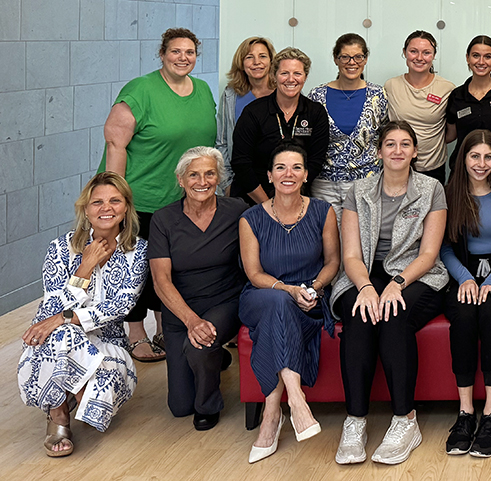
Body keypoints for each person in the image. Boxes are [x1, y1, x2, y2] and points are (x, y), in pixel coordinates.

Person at [330, 120, 448, 465]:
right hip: (365, 272)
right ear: (379, 151)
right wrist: (366, 287)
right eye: (390, 144)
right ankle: (355, 421)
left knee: (395, 314)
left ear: (415, 151)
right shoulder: (359, 190)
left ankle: (404, 419)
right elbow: (350, 255)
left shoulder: (431, 189)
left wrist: (397, 285)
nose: (398, 151)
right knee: (358, 313)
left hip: (416, 275)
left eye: (405, 144)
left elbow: (428, 254)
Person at [101, 27, 217, 362]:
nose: (183, 58)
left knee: (172, 267)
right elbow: (115, 145)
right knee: (136, 268)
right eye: (176, 51)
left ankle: (166, 327)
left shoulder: (203, 90)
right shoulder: (140, 90)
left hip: (181, 199)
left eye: (190, 52)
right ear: (162, 53)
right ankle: (135, 332)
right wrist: (115, 198)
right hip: (140, 198)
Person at [18, 172, 146, 457]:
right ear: (86, 210)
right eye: (97, 202)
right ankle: (59, 414)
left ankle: (71, 391)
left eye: (115, 200)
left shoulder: (138, 252)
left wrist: (65, 317)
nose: (106, 208)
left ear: (126, 207)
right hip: (57, 343)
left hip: (108, 345)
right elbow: (49, 311)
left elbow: (117, 308)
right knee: (61, 334)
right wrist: (84, 268)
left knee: (62, 328)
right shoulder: (61, 249)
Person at [239, 143, 341, 463]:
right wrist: (287, 289)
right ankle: (297, 402)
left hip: (308, 298)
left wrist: (314, 288)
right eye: (281, 168)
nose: (288, 174)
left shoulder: (323, 211)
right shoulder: (250, 218)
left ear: (306, 174)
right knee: (279, 303)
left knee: (283, 311)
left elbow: (332, 262)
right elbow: (254, 274)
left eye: (296, 167)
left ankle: (272, 415)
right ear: (269, 176)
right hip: (260, 296)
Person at [149, 147, 249, 431]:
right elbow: (161, 281)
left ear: (218, 178)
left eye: (209, 174)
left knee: (201, 343)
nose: (201, 181)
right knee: (179, 407)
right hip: (180, 310)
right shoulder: (163, 219)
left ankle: (209, 405)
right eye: (193, 175)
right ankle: (214, 357)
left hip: (225, 302)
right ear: (180, 180)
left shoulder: (237, 211)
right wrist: (191, 320)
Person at [440, 130, 491, 457]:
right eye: (474, 156)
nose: (481, 164)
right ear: (463, 158)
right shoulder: (448, 194)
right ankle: (466, 413)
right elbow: (442, 247)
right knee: (464, 316)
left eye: (488, 157)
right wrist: (464, 279)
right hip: (463, 272)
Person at [231, 47, 330, 205]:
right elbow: (241, 163)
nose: (291, 79)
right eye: (284, 73)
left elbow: (315, 162)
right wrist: (269, 205)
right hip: (254, 199)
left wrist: (290, 197)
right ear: (274, 75)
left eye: (297, 73)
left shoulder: (315, 113)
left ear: (305, 77)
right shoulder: (253, 112)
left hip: (297, 196)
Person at [308, 33, 389, 220]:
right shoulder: (317, 95)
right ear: (336, 59)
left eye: (358, 57)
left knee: (362, 242)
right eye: (345, 57)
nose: (352, 62)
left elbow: (385, 135)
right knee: (329, 243)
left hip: (366, 182)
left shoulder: (378, 95)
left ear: (365, 59)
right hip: (325, 184)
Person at [384, 31, 456, 183]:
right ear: (405, 53)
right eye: (413, 51)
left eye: (426, 53)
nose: (419, 58)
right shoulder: (391, 86)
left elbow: (450, 133)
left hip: (433, 167)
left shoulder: (447, 89)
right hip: (397, 165)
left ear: (434, 55)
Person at [445, 35, 491, 180]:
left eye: (488, 57)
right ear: (467, 58)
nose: (481, 62)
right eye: (476, 56)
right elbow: (451, 135)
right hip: (462, 172)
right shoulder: (457, 95)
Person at [216, 37, 276, 195]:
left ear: (271, 61)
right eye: (249, 57)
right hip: (241, 183)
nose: (257, 62)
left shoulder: (286, 91)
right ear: (241, 63)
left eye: (263, 56)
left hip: (279, 183)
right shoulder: (231, 95)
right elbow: (222, 143)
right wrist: (227, 185)